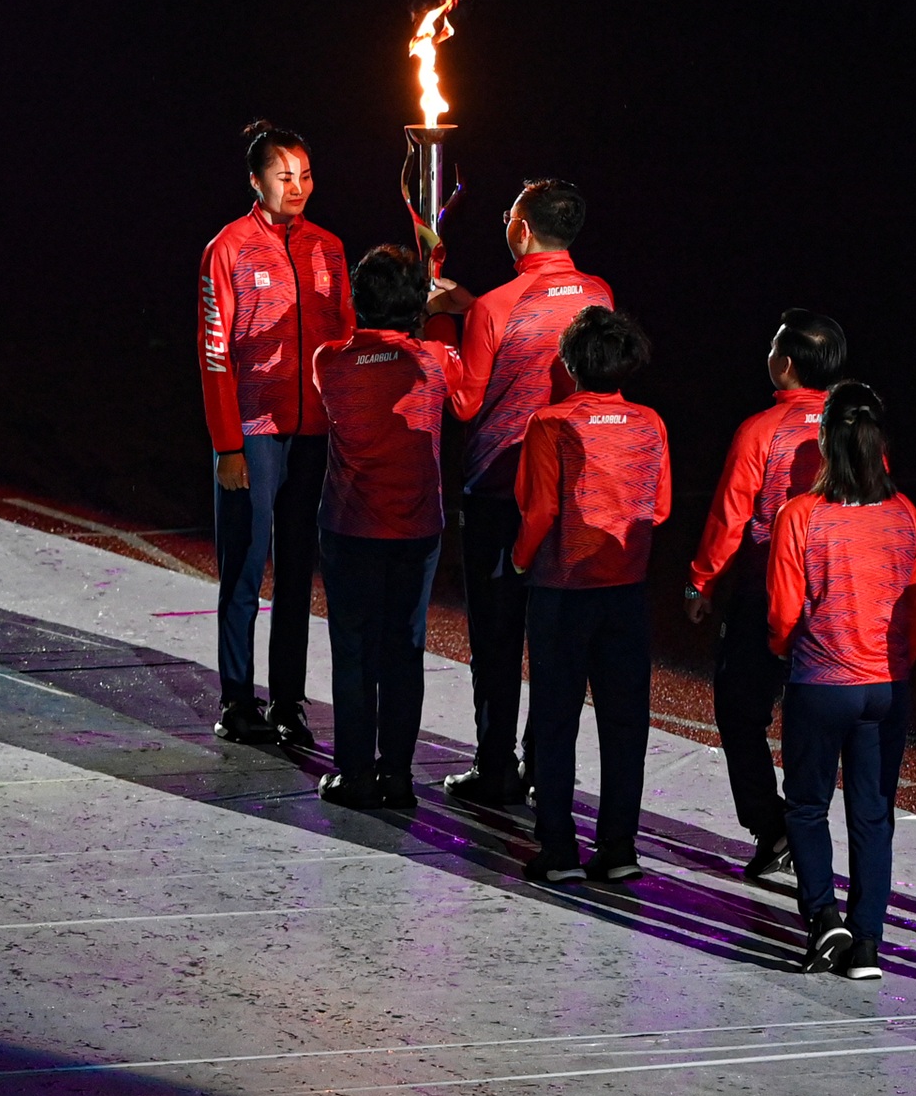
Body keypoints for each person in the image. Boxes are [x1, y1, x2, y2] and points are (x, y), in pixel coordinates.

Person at [433, 179, 614, 806]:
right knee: (556, 636)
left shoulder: (493, 309)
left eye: (509, 215)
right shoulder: (598, 295)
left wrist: (441, 333)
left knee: (498, 636)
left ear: (522, 229)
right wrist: (472, 306)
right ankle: (544, 765)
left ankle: (495, 767)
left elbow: (464, 401)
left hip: (499, 488)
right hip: (572, 490)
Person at [767, 382, 916, 980]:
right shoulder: (907, 516)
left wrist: (788, 648)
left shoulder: (800, 518)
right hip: (885, 686)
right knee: (872, 812)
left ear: (824, 442)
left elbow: (784, 611)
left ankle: (822, 919)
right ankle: (867, 942)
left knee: (807, 807)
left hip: (820, 681)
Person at [198, 120, 352, 746]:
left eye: (306, 175)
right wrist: (228, 443)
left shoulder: (330, 248)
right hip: (253, 434)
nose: (298, 187)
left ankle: (287, 702)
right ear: (256, 179)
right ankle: (238, 700)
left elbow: (344, 339)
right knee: (244, 567)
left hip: (313, 433)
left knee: (297, 571)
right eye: (285, 175)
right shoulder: (228, 248)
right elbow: (214, 354)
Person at [685, 310, 848, 879]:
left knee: (739, 712)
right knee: (819, 725)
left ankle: (775, 826)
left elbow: (731, 514)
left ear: (784, 362)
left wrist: (701, 581)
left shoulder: (761, 431)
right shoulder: (857, 431)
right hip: (839, 601)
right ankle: (807, 838)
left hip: (764, 594)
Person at [512, 307, 670, 883]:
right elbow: (662, 506)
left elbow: (540, 510)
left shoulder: (549, 423)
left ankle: (558, 848)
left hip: (563, 588)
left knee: (555, 718)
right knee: (626, 721)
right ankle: (619, 848)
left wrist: (519, 558)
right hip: (626, 588)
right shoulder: (650, 423)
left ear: (570, 364)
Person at [309, 246, 462, 810]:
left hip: (350, 525)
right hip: (415, 528)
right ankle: (396, 775)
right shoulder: (434, 361)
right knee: (404, 650)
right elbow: (464, 395)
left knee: (353, 651)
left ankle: (354, 775)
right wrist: (440, 306)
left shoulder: (330, 360)